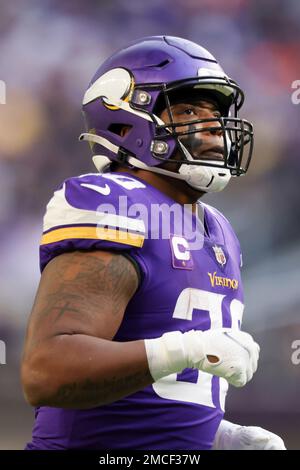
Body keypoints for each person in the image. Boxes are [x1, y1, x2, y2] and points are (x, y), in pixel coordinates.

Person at [21, 36, 285, 450]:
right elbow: (47, 372)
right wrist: (190, 347)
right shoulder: (115, 204)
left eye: (215, 111)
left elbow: (155, 394)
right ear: (126, 124)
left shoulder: (219, 229)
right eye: (189, 109)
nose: (214, 125)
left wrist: (212, 437)